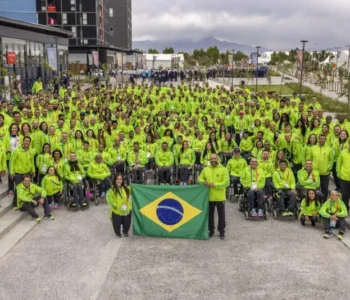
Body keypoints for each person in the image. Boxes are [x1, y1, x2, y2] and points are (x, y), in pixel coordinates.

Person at [198, 153, 229, 239]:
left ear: (218, 159)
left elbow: (226, 182)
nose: (213, 160)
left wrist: (215, 185)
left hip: (219, 197)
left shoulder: (223, 169)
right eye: (211, 159)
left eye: (215, 158)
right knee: (210, 215)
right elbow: (200, 178)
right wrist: (203, 182)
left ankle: (221, 231)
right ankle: (211, 230)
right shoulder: (206, 169)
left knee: (221, 216)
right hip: (209, 197)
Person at [9, 136, 35, 208]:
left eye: (28, 141)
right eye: (25, 141)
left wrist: (33, 171)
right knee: (18, 188)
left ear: (30, 142)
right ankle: (15, 203)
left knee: (27, 188)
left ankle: (26, 202)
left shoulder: (31, 151)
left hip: (27, 172)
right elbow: (11, 162)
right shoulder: (16, 150)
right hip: (18, 173)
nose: (27, 142)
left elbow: (32, 161)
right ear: (23, 141)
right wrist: (11, 172)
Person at [106, 174, 132, 238]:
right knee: (116, 224)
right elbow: (109, 198)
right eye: (117, 179)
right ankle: (118, 233)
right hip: (116, 211)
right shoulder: (111, 190)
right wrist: (114, 205)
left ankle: (125, 231)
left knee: (127, 223)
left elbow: (133, 190)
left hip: (126, 209)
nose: (119, 181)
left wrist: (136, 186)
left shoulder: (126, 188)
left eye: (120, 179)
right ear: (115, 180)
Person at [310, 134, 333, 202]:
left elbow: (331, 160)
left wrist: (328, 168)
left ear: (325, 140)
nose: (322, 140)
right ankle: (315, 201)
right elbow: (310, 159)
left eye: (323, 139)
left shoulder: (329, 149)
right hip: (315, 172)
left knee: (324, 189)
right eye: (320, 138)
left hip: (325, 173)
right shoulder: (313, 148)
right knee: (314, 188)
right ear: (318, 139)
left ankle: (324, 201)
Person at [336, 138, 350, 212]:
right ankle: (345, 209)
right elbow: (338, 163)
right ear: (348, 143)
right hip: (344, 177)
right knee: (345, 195)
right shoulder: (343, 152)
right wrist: (339, 173)